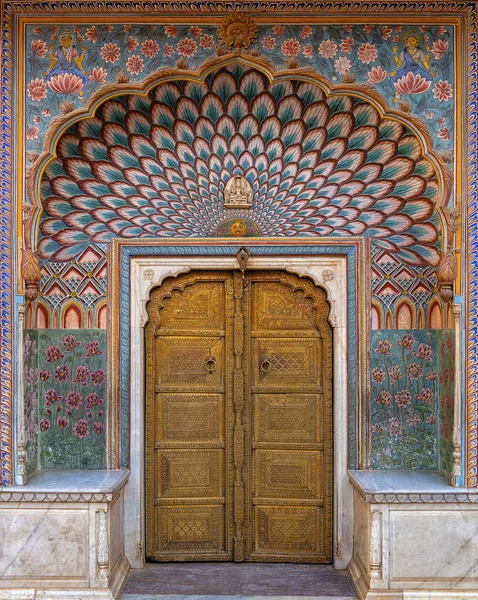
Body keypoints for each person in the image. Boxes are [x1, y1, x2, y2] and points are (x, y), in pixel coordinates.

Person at [389, 32, 435, 102]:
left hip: (417, 69)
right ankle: (397, 95)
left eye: (413, 40)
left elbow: (424, 62)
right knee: (392, 79)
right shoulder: (404, 52)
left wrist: (429, 71)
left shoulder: (419, 52)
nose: (411, 42)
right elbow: (399, 62)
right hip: (406, 68)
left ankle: (418, 90)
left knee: (430, 78)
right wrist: (395, 71)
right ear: (406, 42)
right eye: (409, 40)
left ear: (416, 42)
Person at [44, 30, 89, 98]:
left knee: (85, 78)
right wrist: (48, 71)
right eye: (64, 40)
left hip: (71, 69)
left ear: (71, 41)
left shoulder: (73, 50)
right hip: (60, 69)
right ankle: (50, 95)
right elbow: (53, 61)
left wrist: (83, 53)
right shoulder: (59, 50)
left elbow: (78, 61)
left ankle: (80, 96)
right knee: (48, 77)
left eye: (68, 40)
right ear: (61, 41)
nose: (66, 42)